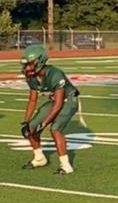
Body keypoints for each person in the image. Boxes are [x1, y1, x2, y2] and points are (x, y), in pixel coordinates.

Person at [19, 45, 82, 175]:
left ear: (40, 61)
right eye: (26, 65)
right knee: (31, 127)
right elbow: (32, 100)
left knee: (55, 129)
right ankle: (39, 158)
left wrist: (44, 123)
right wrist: (26, 122)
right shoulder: (31, 77)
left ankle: (66, 166)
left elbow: (59, 104)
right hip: (55, 101)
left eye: (30, 64)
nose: (27, 68)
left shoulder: (55, 74)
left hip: (69, 100)